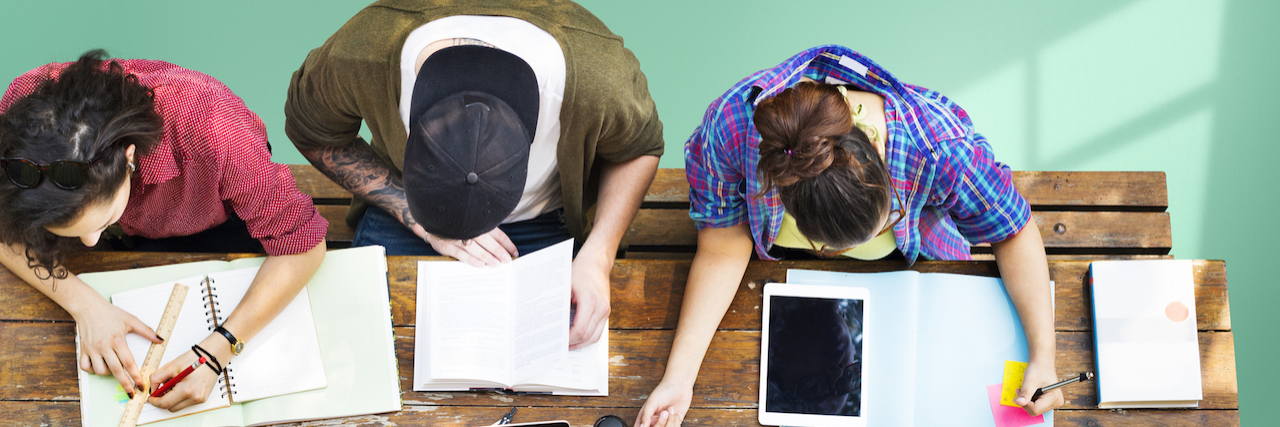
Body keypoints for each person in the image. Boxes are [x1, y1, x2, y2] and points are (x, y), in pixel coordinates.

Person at [635, 45, 1061, 427]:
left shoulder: (938, 144)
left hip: (922, 270)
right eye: (826, 245)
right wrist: (678, 379)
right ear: (782, 194)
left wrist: (1044, 354)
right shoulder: (729, 130)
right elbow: (722, 249)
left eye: (888, 217)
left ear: (875, 146)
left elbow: (1013, 231)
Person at [284, 0, 663, 349]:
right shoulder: (364, 55)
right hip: (407, 213)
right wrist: (414, 213)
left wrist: (598, 256)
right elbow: (311, 129)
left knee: (561, 355)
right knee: (359, 351)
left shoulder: (598, 82)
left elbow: (639, 148)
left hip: (548, 219)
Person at [0, 51, 328, 412]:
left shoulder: (218, 131)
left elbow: (303, 245)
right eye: (72, 231)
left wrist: (218, 349)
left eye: (101, 222)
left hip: (214, 215)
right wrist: (84, 304)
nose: (90, 244)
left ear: (128, 158)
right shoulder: (23, 114)